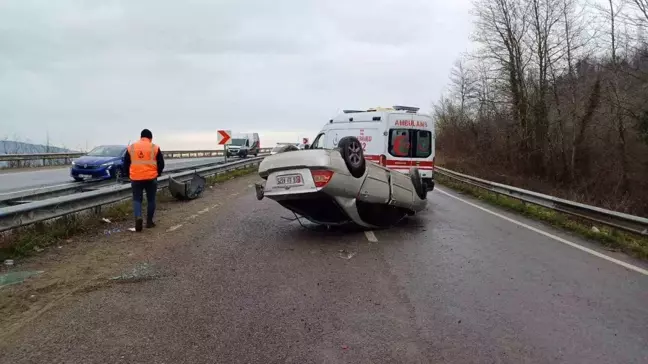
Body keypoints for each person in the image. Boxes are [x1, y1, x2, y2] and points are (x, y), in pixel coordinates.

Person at [123, 129, 165, 232]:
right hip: (151, 178)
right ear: (150, 138)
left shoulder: (131, 147)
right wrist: (157, 173)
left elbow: (125, 164)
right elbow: (161, 164)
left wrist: (129, 175)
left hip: (136, 178)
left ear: (141, 137)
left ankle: (138, 217)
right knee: (151, 199)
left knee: (137, 199)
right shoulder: (155, 147)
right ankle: (149, 222)